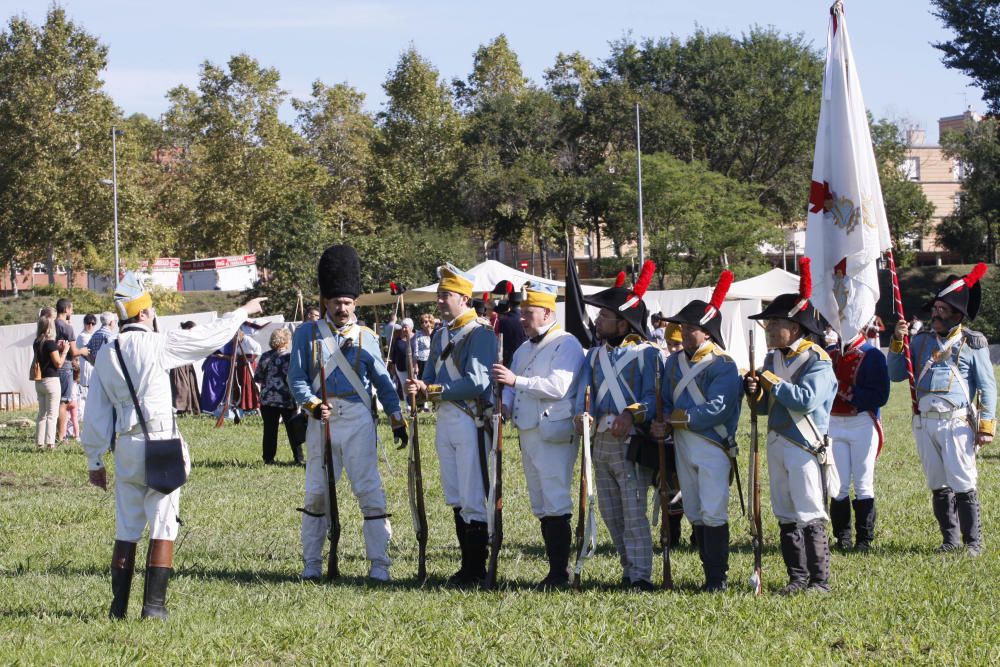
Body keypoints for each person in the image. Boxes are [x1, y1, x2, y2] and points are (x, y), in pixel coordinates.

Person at [81, 271, 266, 620]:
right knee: (164, 524)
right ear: (145, 314)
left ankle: (117, 607)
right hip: (162, 440)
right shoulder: (158, 343)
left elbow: (95, 414)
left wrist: (94, 460)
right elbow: (210, 337)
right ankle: (153, 607)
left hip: (126, 446)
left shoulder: (106, 353)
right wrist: (241, 312)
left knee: (126, 528)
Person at [287, 245, 407, 582]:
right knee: (315, 493)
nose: (342, 308)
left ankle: (380, 565)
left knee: (369, 490)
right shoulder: (305, 335)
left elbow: (383, 384)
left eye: (348, 303)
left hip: (357, 419)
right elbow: (296, 378)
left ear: (355, 304)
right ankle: (311, 564)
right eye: (337, 302)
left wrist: (397, 420)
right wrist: (311, 404)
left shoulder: (366, 337)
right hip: (319, 420)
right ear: (326, 301)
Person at [888, 263, 995, 556]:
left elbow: (988, 387)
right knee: (937, 483)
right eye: (935, 308)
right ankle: (949, 541)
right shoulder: (920, 341)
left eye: (942, 310)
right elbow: (896, 374)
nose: (935, 313)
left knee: (962, 481)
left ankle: (973, 542)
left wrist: (986, 426)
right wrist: (898, 340)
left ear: (957, 315)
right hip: (925, 423)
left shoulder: (974, 343)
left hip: (957, 421)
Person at [745, 259, 837, 594]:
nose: (768, 328)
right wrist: (754, 392)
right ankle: (796, 578)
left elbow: (805, 400)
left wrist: (769, 381)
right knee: (785, 512)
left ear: (795, 328)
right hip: (778, 440)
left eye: (774, 323)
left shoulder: (817, 360)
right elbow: (765, 409)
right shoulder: (773, 359)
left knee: (809, 510)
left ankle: (819, 580)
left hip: (804, 443)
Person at [651, 271, 742, 592]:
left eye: (690, 328)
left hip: (713, 443)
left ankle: (717, 579)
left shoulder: (724, 365)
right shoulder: (674, 364)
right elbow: (662, 400)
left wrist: (678, 418)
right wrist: (656, 419)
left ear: (707, 332)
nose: (683, 332)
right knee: (693, 509)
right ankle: (708, 571)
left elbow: (719, 407)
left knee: (714, 509)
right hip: (683, 444)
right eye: (683, 327)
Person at [406, 263, 495, 587]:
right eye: (440, 295)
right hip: (446, 419)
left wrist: (432, 390)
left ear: (464, 298)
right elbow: (430, 373)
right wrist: (419, 386)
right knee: (455, 493)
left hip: (470, 419)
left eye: (446, 295)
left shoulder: (480, 333)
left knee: (472, 494)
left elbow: (478, 382)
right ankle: (465, 565)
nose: (440, 301)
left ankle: (476, 568)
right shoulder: (441, 334)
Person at [574, 260, 660, 591]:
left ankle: (640, 575)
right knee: (611, 513)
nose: (598, 321)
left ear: (623, 324)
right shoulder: (594, 356)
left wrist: (632, 414)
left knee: (634, 511)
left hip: (630, 441)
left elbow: (653, 398)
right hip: (599, 441)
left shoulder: (647, 354)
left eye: (605, 316)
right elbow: (584, 393)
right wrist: (583, 414)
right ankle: (628, 569)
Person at [492, 281, 585, 588]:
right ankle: (553, 568)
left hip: (553, 430)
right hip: (528, 430)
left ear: (547, 313)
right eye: (521, 312)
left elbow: (558, 387)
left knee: (556, 499)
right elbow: (509, 386)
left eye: (528, 313)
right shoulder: (522, 348)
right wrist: (505, 404)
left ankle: (560, 572)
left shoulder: (567, 343)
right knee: (540, 502)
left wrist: (516, 381)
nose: (522, 318)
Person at [828, 332, 890, 552]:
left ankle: (864, 540)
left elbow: (880, 396)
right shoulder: (829, 353)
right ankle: (842, 537)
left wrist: (845, 390)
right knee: (838, 484)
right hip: (833, 423)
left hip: (862, 422)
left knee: (863, 483)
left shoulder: (873, 355)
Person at [254, 327, 304, 465]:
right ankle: (298, 458)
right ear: (286, 341)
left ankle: (268, 458)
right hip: (286, 398)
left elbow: (257, 377)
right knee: (293, 430)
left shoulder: (265, 356)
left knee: (270, 430)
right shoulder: (290, 357)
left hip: (268, 399)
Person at [54, 298, 89, 443]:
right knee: (64, 402)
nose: (72, 311)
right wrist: (84, 351)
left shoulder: (51, 324)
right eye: (71, 308)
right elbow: (74, 352)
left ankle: (53, 434)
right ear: (66, 309)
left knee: (54, 402)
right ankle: (61, 437)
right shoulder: (67, 328)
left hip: (52, 367)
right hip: (65, 366)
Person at [33, 312, 68, 449]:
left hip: (39, 381)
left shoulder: (37, 342)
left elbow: (46, 354)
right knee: (52, 415)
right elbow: (58, 364)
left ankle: (39, 443)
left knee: (42, 414)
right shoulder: (50, 343)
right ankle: (50, 444)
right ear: (50, 327)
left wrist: (56, 347)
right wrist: (64, 351)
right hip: (51, 381)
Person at [169, 322, 201, 415]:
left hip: (187, 364)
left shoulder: (190, 338)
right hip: (178, 364)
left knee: (191, 386)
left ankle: (189, 408)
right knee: (182, 387)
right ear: (187, 328)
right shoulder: (178, 336)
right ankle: (180, 408)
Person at [494, 281, 527, 368]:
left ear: (510, 304)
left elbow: (500, 341)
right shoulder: (526, 318)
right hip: (525, 356)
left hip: (508, 358)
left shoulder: (503, 320)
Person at [77, 313, 98, 420]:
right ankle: (83, 417)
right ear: (84, 324)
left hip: (93, 368)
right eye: (88, 323)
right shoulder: (82, 336)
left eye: (93, 323)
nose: (90, 325)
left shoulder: (93, 335)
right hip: (86, 369)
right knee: (84, 396)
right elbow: (89, 352)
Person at [389, 318, 415, 397]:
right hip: (401, 367)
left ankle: (422, 404)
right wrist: (393, 366)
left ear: (411, 328)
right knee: (405, 386)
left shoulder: (416, 338)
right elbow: (394, 354)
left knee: (415, 385)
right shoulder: (398, 339)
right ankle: (408, 405)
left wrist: (416, 365)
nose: (403, 329)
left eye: (405, 327)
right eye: (402, 327)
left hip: (413, 367)